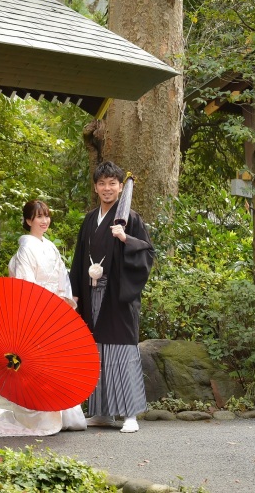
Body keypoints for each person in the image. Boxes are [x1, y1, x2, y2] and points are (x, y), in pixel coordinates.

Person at [0, 200, 87, 437]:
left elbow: (63, 279)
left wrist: (64, 301)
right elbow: (25, 286)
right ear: (28, 220)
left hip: (54, 311)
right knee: (35, 365)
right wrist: (42, 305)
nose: (44, 221)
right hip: (36, 312)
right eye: (38, 216)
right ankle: (37, 416)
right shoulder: (26, 249)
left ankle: (60, 413)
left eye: (46, 216)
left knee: (55, 365)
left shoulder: (50, 247)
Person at [69, 161, 154, 434]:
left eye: (112, 183)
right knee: (96, 351)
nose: (107, 188)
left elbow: (147, 254)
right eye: (102, 183)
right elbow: (79, 258)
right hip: (92, 290)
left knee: (121, 350)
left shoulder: (130, 218)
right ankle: (102, 412)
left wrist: (126, 239)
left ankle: (130, 413)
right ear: (96, 187)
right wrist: (76, 293)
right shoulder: (89, 219)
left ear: (120, 186)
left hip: (117, 294)